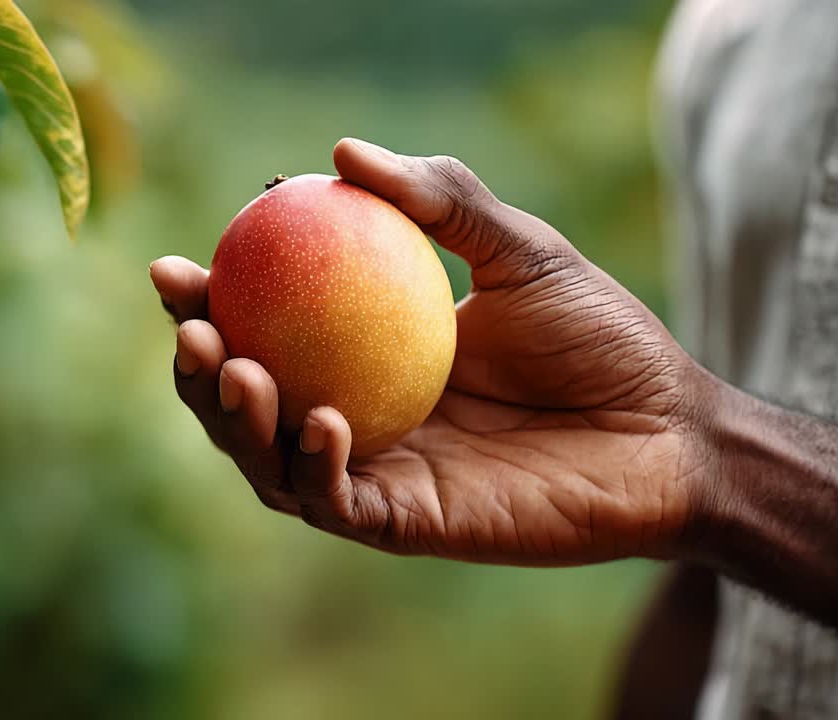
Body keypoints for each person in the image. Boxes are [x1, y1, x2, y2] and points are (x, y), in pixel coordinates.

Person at [148, 2, 838, 717]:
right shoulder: (730, 33)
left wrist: (714, 461)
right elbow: (713, 584)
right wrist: (700, 470)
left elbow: (731, 470)